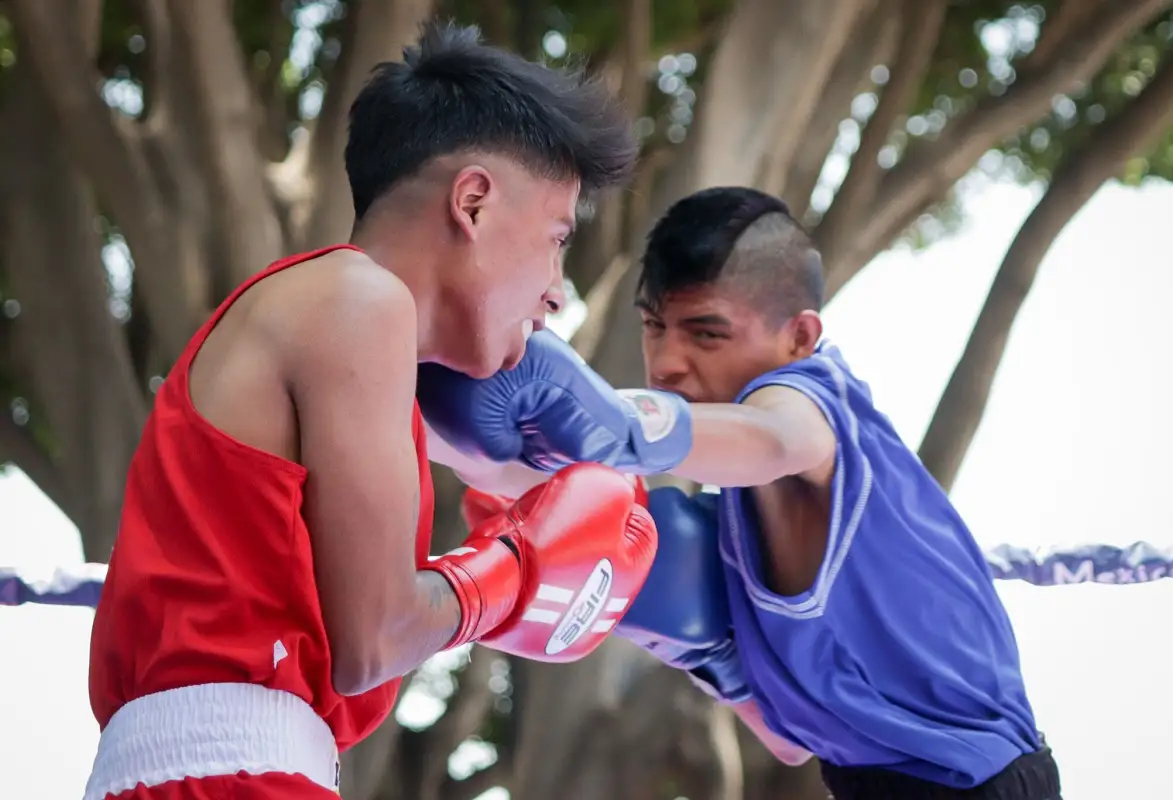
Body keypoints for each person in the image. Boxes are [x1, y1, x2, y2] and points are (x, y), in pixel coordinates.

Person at [83, 22, 658, 800]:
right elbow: (374, 637)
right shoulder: (359, 301)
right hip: (230, 774)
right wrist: (512, 571)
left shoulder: (333, 321)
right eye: (557, 237)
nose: (557, 287)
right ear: (474, 201)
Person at [417, 187, 1063, 798]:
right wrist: (417, 415)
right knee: (641, 534)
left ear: (800, 339)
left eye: (705, 333)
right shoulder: (732, 521)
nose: (667, 362)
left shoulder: (814, 405)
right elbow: (788, 743)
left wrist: (618, 423)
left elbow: (775, 436)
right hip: (870, 782)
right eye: (654, 326)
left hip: (988, 786)